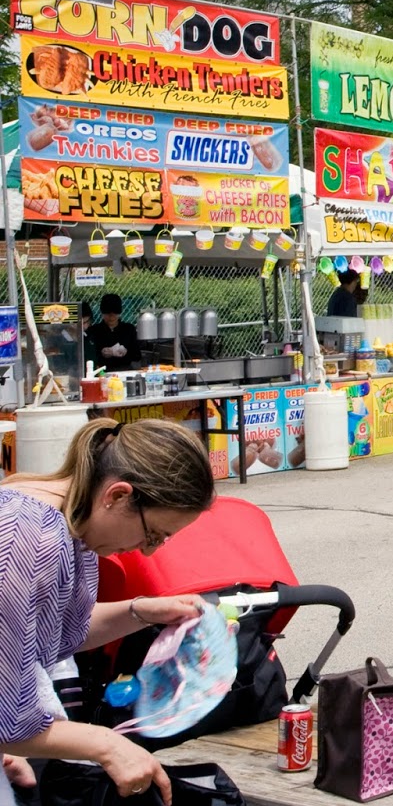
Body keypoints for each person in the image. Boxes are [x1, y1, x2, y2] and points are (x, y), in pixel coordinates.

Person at [0, 419, 216, 803]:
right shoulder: (29, 539)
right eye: (153, 535)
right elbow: (13, 719)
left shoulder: (67, 524)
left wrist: (141, 612)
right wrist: (107, 745)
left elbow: (55, 632)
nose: (148, 551)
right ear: (117, 496)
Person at [84, 294, 140, 373]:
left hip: (125, 370)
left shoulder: (128, 329)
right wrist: (102, 353)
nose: (111, 317)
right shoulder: (94, 331)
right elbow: (89, 355)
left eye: (115, 313)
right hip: (102, 371)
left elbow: (137, 355)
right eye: (108, 314)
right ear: (102, 313)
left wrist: (126, 352)